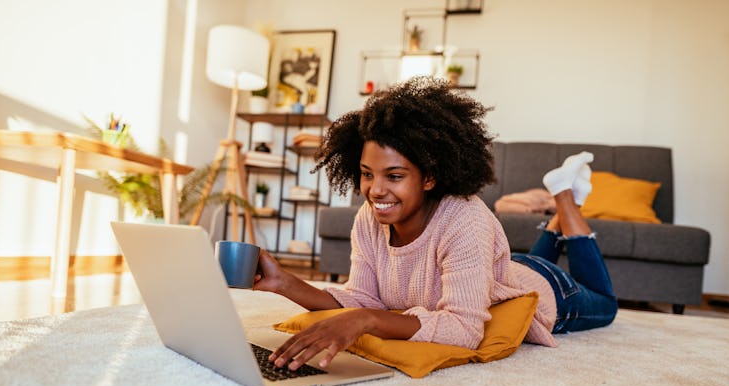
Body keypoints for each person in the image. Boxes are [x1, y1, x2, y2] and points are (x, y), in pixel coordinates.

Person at [253, 76, 617, 371]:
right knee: (516, 267)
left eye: (394, 176)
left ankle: (565, 200)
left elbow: (463, 330)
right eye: (367, 174)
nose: (376, 190)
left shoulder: (466, 220)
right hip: (500, 271)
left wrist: (366, 320)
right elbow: (363, 298)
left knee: (606, 304)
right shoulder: (369, 217)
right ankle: (561, 207)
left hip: (547, 287)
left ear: (429, 177)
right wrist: (284, 282)